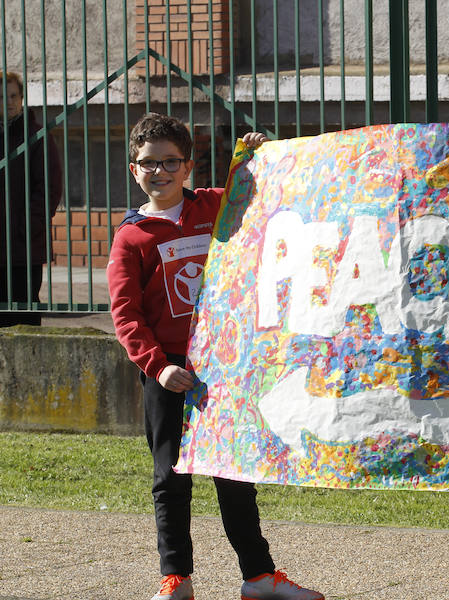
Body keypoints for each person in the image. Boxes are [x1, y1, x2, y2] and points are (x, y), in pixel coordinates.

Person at [107, 113, 324, 600]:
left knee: (233, 472)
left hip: (224, 364)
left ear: (187, 167)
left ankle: (259, 578)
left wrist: (250, 159)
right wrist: (158, 366)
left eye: (169, 162)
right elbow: (126, 313)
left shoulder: (212, 207)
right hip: (168, 369)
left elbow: (260, 205)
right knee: (170, 476)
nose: (158, 171)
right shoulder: (132, 238)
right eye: (148, 163)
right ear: (133, 169)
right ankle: (176, 578)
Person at [0, 70, 62, 327]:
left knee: (24, 310)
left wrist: (27, 226)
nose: (10, 102)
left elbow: (49, 188)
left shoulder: (37, 136)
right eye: (3, 97)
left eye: (14, 95)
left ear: (23, 98)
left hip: (24, 245)